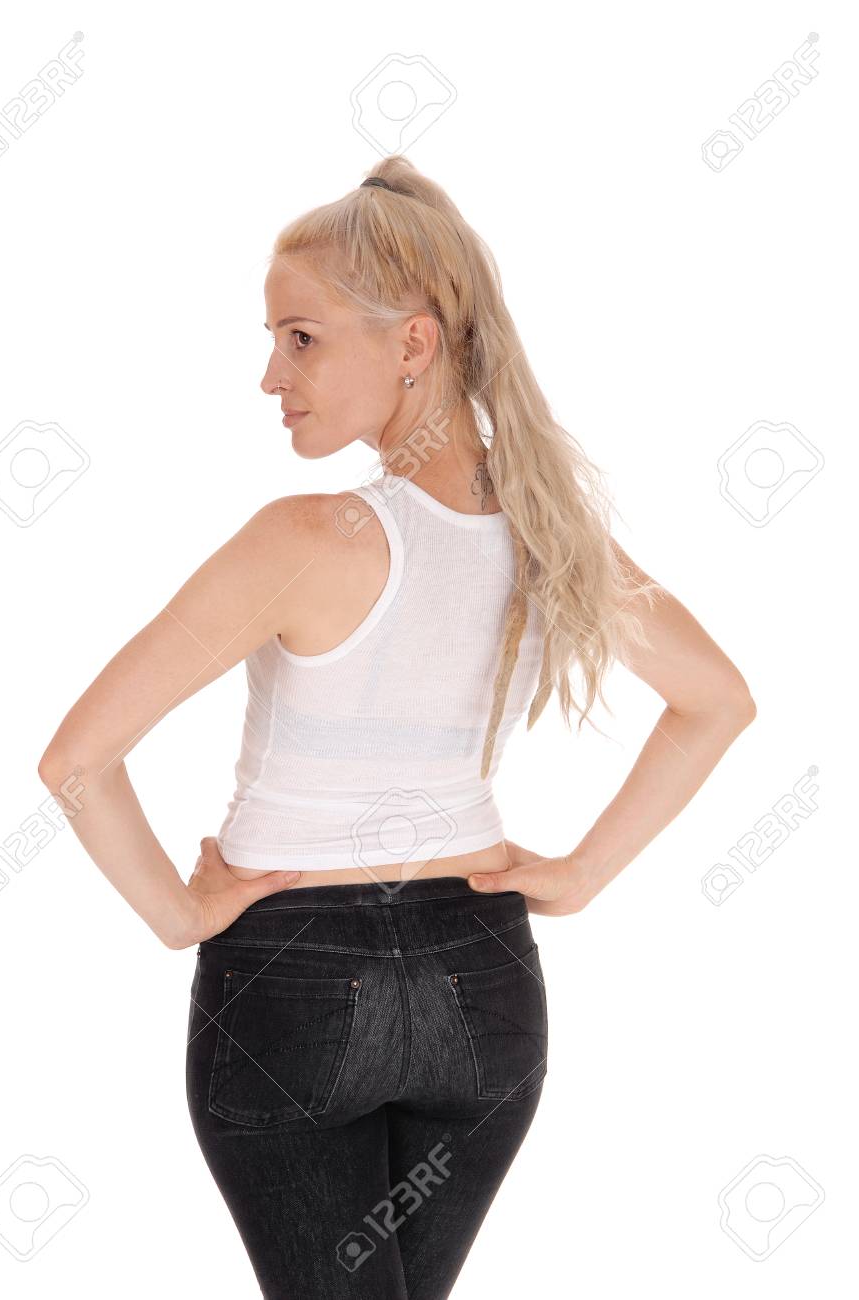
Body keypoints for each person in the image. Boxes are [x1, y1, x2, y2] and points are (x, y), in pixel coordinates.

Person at [38, 156, 756, 1298]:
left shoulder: (304, 538)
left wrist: (179, 913)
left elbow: (76, 759)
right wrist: (579, 876)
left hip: (294, 989)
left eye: (302, 339)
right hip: (486, 986)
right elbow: (718, 699)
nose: (270, 376)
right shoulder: (551, 533)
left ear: (414, 342)